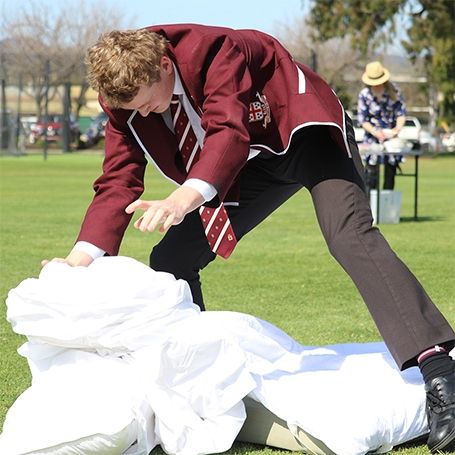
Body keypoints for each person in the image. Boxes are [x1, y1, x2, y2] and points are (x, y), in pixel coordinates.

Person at [41, 25, 454, 452]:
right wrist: (77, 260)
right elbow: (116, 181)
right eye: (135, 110)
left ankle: (441, 373)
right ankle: (201, 383)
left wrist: (183, 198)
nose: (145, 115)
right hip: (246, 166)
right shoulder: (122, 96)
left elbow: (228, 131)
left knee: (349, 234)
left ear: (164, 65)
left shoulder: (216, 50)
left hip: (303, 136)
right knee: (173, 257)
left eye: (148, 102)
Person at [357, 61, 407, 194]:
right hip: (372, 138)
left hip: (391, 138)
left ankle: (387, 206)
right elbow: (362, 119)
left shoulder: (395, 92)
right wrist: (375, 132)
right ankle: (371, 207)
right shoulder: (364, 95)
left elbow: (401, 114)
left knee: (390, 173)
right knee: (371, 175)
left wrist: (396, 130)